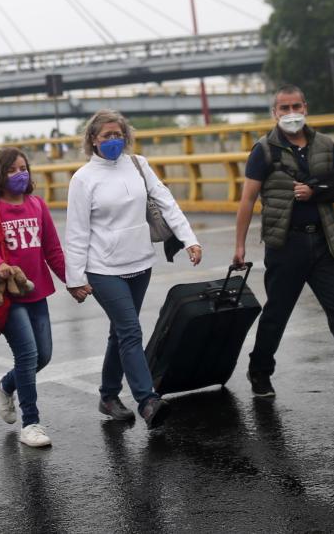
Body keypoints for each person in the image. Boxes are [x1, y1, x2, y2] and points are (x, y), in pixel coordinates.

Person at [234, 84, 334, 404]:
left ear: (306, 107)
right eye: (284, 108)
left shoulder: (325, 144)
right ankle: (260, 370)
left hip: (324, 244)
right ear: (274, 113)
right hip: (285, 245)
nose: (291, 113)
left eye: (296, 106)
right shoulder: (264, 150)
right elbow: (248, 199)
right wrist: (239, 246)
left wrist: (313, 191)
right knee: (277, 314)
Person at [64, 109, 203, 429]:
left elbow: (165, 201)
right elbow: (76, 232)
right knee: (130, 331)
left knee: (120, 331)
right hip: (103, 268)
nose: (113, 140)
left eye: (118, 134)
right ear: (92, 141)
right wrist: (75, 278)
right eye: (106, 136)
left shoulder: (138, 165)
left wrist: (189, 239)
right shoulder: (83, 179)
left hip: (140, 262)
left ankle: (108, 395)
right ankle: (147, 400)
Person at [0, 147, 67, 448]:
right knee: (28, 354)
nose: (21, 174)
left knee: (43, 356)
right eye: (13, 170)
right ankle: (30, 423)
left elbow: (53, 251)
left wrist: (73, 282)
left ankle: (5, 385)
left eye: (24, 168)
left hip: (37, 291)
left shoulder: (37, 205)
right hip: (6, 296)